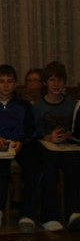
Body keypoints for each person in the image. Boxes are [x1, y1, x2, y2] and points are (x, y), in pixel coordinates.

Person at [19, 61, 80, 232]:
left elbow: (77, 130)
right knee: (49, 166)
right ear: (45, 83)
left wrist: (70, 135)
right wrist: (48, 136)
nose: (56, 84)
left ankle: (74, 213)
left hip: (69, 148)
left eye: (60, 80)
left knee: (74, 164)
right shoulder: (38, 106)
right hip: (46, 148)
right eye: (52, 80)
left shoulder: (73, 104)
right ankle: (50, 215)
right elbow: (33, 133)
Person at [0, 64, 36, 228]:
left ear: (15, 83)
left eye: (9, 81)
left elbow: (31, 129)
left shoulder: (24, 105)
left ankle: (27, 214)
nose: (6, 85)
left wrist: (22, 141)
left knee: (33, 166)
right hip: (0, 145)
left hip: (21, 144)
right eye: (2, 81)